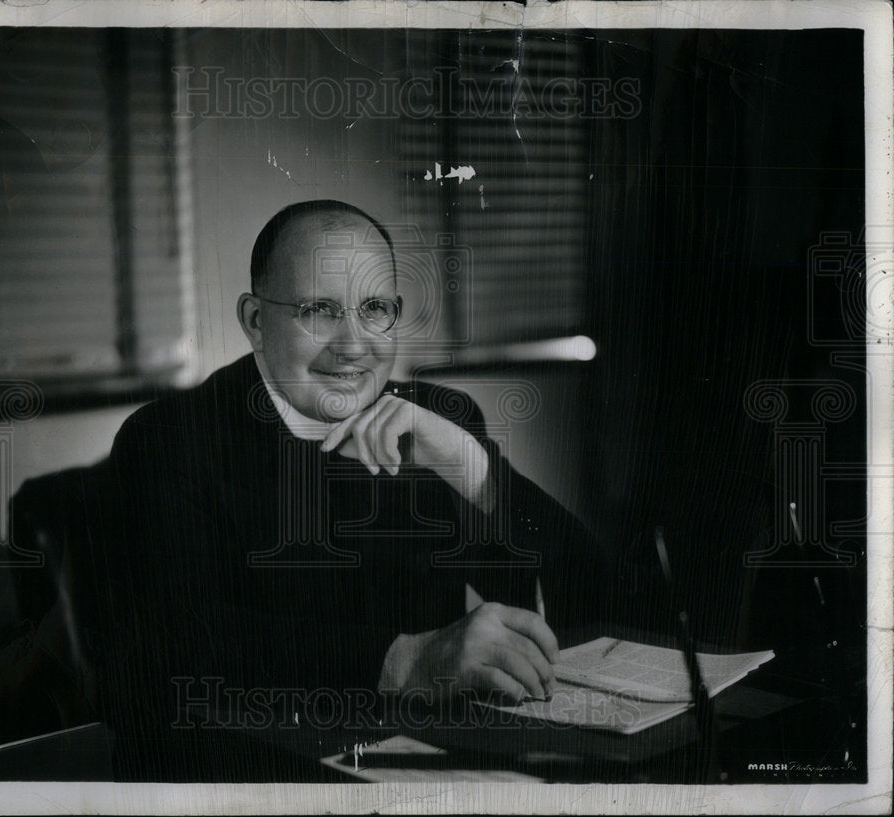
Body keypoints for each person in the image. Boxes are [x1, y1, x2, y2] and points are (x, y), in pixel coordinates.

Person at [100, 200, 605, 780]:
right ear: (255, 321)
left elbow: (594, 603)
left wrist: (478, 474)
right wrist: (403, 660)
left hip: (419, 774)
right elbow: (169, 653)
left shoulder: (440, 421)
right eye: (319, 310)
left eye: (374, 309)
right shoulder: (168, 439)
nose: (354, 345)